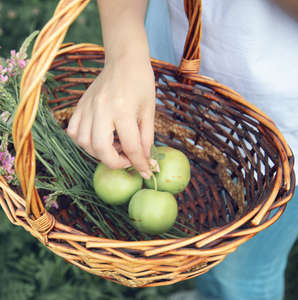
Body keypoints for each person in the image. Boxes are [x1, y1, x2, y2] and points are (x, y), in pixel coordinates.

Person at [66, 0, 298, 299]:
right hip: (175, 61)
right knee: (204, 241)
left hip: (282, 119)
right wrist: (124, 54)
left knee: (241, 272)